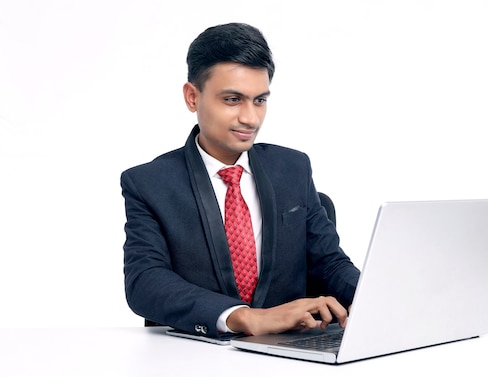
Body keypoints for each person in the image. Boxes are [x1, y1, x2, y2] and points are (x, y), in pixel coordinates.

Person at [121, 23, 360, 337]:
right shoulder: (150, 184)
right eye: (233, 100)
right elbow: (145, 281)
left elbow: (329, 263)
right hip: (196, 357)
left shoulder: (292, 168)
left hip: (288, 354)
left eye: (259, 100)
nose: (251, 118)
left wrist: (372, 300)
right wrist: (245, 318)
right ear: (192, 97)